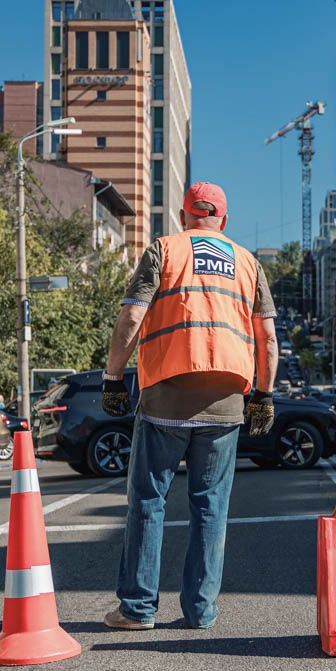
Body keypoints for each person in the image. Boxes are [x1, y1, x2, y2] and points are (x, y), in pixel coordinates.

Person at [99, 182, 278, 631]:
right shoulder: (248, 263)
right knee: (211, 507)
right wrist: (264, 393)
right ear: (224, 219)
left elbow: (132, 317)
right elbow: (268, 338)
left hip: (166, 396)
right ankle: (200, 611)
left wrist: (113, 377)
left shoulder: (164, 249)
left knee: (147, 501)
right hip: (226, 402)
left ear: (183, 216)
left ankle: (138, 610)